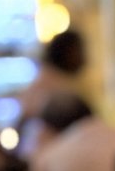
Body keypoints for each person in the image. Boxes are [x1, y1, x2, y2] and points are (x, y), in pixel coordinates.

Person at [13, 29, 87, 159]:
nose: (84, 57)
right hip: (44, 161)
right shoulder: (53, 85)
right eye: (79, 51)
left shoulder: (54, 80)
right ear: (66, 52)